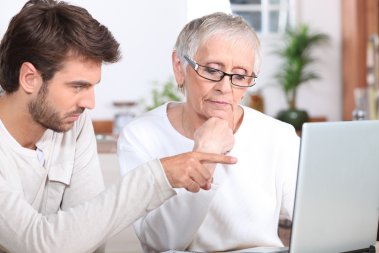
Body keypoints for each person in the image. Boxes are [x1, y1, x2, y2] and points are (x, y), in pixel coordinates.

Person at [0, 2, 237, 253]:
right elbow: (39, 243)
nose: (89, 103)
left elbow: (90, 238)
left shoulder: (73, 124)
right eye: (77, 87)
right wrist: (158, 176)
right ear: (29, 78)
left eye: (93, 86)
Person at [118, 12, 300, 252]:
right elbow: (162, 242)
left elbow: (316, 222)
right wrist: (205, 156)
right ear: (179, 67)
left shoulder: (279, 135)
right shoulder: (141, 136)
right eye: (213, 71)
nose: (225, 88)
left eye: (240, 75)